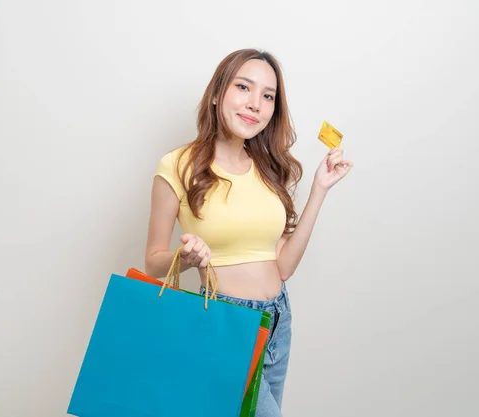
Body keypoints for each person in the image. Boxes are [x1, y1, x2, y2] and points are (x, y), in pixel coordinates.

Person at [145, 49, 353, 417]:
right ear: (216, 93)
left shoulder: (268, 169)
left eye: (268, 96)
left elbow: (283, 265)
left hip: (278, 318)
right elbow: (153, 262)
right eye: (243, 87)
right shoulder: (177, 165)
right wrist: (188, 259)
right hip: (226, 321)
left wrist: (320, 189)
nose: (255, 104)